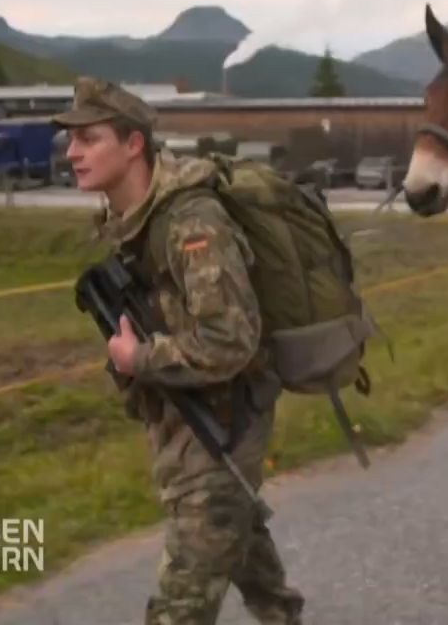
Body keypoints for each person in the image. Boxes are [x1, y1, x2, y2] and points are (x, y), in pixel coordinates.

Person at [53, 77, 305, 625]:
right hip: (184, 421)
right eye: (70, 139)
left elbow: (230, 340)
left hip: (226, 421)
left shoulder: (192, 223)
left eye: (89, 138)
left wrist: (135, 360)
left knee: (180, 604)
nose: (72, 152)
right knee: (243, 546)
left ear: (133, 144)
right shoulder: (134, 222)